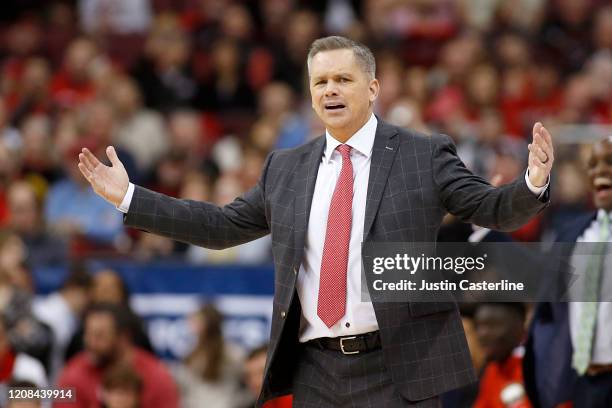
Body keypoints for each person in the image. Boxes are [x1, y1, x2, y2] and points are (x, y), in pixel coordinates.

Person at [78, 36, 554, 407]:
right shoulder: (285, 168)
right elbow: (222, 226)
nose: (330, 90)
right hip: (316, 370)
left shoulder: (421, 155)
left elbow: (488, 206)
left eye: (343, 80)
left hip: (398, 366)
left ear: (372, 89)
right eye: (320, 82)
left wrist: (531, 183)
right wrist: (131, 198)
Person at [524, 137, 612, 408]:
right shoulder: (572, 234)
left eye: (609, 162)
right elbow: (545, 298)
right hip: (581, 383)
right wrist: (488, 232)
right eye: (592, 165)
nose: (599, 171)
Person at [55, 303, 179, 408]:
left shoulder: (157, 376)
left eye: (99, 336)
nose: (90, 343)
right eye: (87, 334)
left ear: (124, 337)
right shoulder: (72, 372)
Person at [473, 303, 531, 408]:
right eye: (478, 326)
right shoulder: (492, 370)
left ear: (518, 327)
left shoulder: (535, 366)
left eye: (492, 325)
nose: (482, 334)